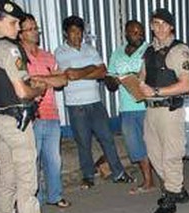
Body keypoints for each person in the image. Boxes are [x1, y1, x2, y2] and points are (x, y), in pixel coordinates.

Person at [0, 0, 67, 213]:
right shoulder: (8, 49)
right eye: (14, 23)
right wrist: (39, 89)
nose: (18, 28)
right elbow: (23, 91)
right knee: (28, 181)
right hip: (18, 121)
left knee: (8, 176)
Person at [54, 15, 134, 189]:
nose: (77, 36)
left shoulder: (90, 49)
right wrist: (91, 69)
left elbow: (102, 72)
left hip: (96, 103)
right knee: (84, 142)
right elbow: (68, 75)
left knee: (107, 138)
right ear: (65, 33)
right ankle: (88, 176)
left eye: (79, 32)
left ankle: (118, 173)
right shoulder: (60, 52)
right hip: (76, 106)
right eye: (73, 32)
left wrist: (81, 72)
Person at [139, 8, 189, 213]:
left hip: (170, 110)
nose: (159, 28)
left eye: (163, 24)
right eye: (155, 23)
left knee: (171, 154)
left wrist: (157, 91)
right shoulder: (149, 51)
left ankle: (170, 196)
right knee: (154, 154)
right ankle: (177, 189)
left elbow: (185, 85)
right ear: (151, 26)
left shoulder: (179, 51)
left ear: (171, 26)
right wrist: (133, 83)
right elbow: (142, 76)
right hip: (151, 111)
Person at [19, 13, 70, 209]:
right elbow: (27, 83)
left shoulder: (48, 55)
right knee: (33, 161)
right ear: (21, 34)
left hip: (51, 115)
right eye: (30, 29)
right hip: (32, 116)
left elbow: (63, 80)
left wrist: (42, 78)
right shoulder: (19, 56)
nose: (35, 32)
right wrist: (49, 78)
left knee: (54, 161)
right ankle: (35, 200)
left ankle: (55, 196)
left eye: (35, 27)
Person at [105, 20, 154, 195]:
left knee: (154, 145)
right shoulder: (117, 53)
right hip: (127, 108)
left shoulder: (149, 50)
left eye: (141, 32)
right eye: (134, 32)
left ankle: (167, 181)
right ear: (126, 33)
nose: (138, 35)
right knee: (136, 146)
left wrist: (136, 77)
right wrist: (115, 79)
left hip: (147, 106)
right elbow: (109, 82)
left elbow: (155, 77)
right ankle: (148, 181)